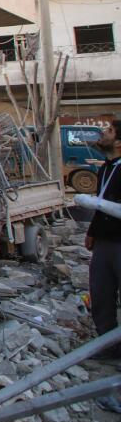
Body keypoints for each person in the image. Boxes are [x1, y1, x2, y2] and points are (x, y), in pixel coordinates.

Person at [86, 119, 121, 356]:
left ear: (118, 142)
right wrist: (92, 232)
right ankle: (109, 347)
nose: (102, 133)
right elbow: (102, 206)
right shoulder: (105, 168)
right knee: (100, 294)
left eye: (108, 131)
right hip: (104, 243)